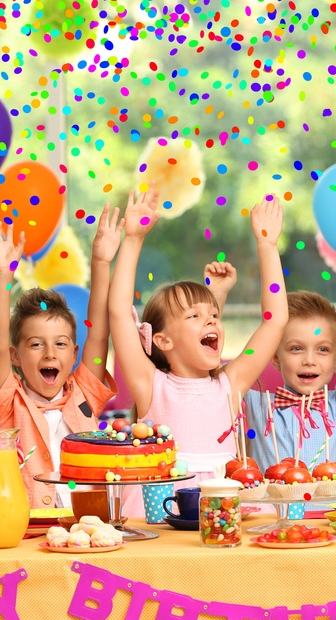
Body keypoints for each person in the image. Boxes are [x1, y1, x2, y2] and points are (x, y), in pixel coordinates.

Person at [109, 186, 289, 517]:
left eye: (214, 316)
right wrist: (133, 239)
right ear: (163, 340)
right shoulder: (152, 386)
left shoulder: (229, 385)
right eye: (195, 316)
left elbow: (275, 321)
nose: (211, 321)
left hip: (227, 500)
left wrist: (267, 246)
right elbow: (119, 312)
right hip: (166, 504)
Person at [0, 206, 119, 508]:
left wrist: (101, 261)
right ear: (15, 356)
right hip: (25, 530)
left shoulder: (86, 392)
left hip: (88, 525)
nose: (50, 353)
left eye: (60, 344)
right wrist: (3, 274)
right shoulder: (7, 403)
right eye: (36, 345)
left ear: (74, 354)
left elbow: (98, 333)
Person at [229, 242, 336, 493]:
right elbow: (215, 384)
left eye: (322, 349)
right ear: (275, 358)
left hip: (331, 528)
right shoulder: (257, 405)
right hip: (272, 528)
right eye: (296, 348)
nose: (310, 359)